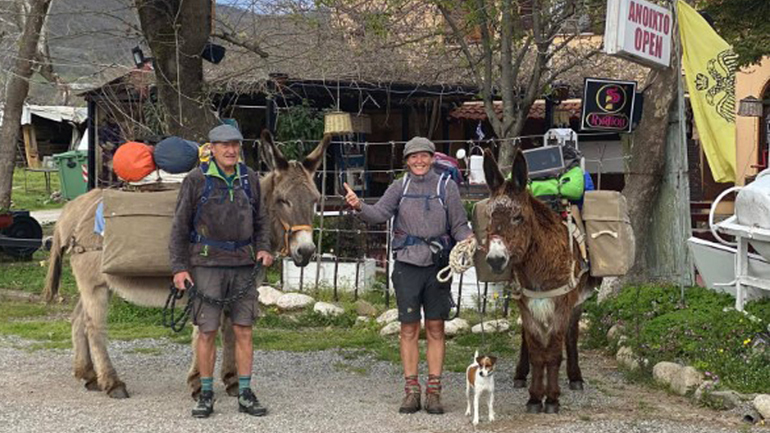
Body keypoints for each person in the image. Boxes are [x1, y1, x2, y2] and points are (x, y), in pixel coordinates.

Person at [344, 137, 473, 415]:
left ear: (432, 158)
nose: (419, 161)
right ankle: (412, 390)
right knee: (409, 328)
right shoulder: (399, 187)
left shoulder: (446, 186)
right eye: (413, 157)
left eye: (424, 156)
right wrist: (358, 205)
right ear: (406, 161)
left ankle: (434, 392)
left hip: (438, 266)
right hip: (407, 265)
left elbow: (459, 225)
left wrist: (469, 240)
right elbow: (379, 213)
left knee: (436, 327)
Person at [169, 124, 274, 418]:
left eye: (235, 145)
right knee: (207, 330)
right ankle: (205, 392)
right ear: (212, 148)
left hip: (243, 264)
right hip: (207, 264)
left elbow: (261, 220)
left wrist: (264, 248)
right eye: (224, 145)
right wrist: (179, 267)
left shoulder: (249, 178)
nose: (230, 150)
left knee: (244, 329)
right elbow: (179, 226)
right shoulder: (196, 180)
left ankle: (245, 391)